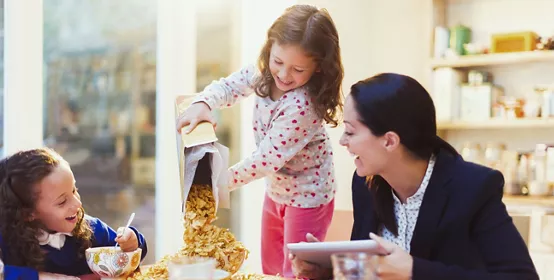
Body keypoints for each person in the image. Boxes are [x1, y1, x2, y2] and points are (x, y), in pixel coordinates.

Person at [290, 73, 539, 280]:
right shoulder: (366, 183)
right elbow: (371, 272)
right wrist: (329, 272)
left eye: (350, 132)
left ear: (389, 141)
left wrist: (413, 270)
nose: (343, 142)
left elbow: (521, 277)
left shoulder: (473, 188)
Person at [175, 4, 344, 277]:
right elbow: (230, 85)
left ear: (319, 68)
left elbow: (267, 159)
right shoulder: (263, 72)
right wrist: (205, 102)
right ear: (269, 49)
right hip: (276, 189)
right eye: (278, 61)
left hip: (308, 198)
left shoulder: (303, 106)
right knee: (270, 267)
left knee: (296, 272)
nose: (284, 75)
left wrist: (220, 183)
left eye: (298, 69)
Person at [0, 148, 148, 280]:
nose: (77, 204)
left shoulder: (93, 229)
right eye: (62, 202)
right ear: (28, 213)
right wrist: (39, 277)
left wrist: (132, 243)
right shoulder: (7, 241)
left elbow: (130, 257)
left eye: (74, 190)